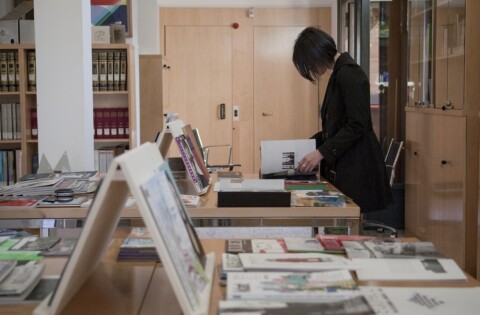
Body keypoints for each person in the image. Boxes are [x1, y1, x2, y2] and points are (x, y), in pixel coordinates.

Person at [292, 27, 392, 214]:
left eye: (309, 64)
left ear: (317, 54)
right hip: (348, 160)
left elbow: (358, 124)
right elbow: (335, 127)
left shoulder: (349, 74)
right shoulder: (339, 73)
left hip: (357, 164)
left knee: (350, 222)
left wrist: (321, 152)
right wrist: (303, 147)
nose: (311, 70)